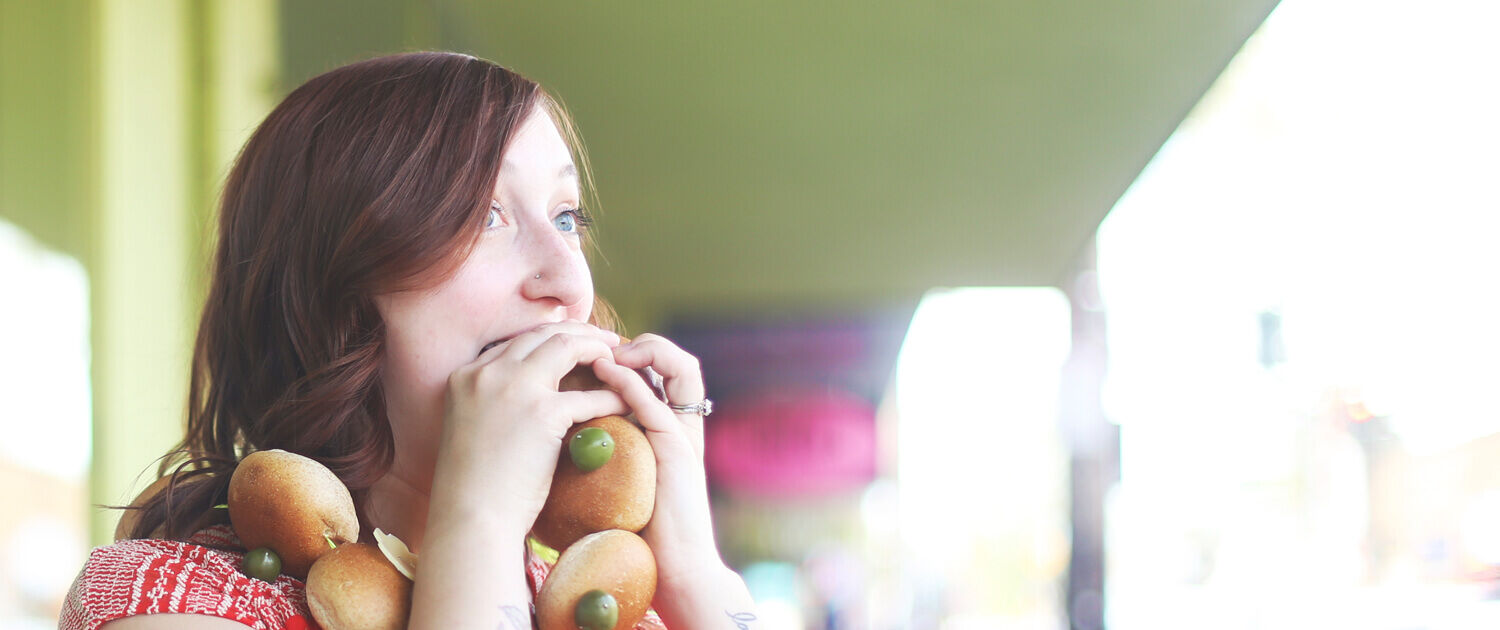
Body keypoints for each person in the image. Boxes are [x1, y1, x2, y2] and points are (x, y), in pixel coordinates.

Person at [59, 51, 758, 629]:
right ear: (336, 286)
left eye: (567, 216)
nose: (566, 278)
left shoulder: (592, 609)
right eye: (484, 215)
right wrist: (478, 525)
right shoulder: (172, 602)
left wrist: (692, 567)